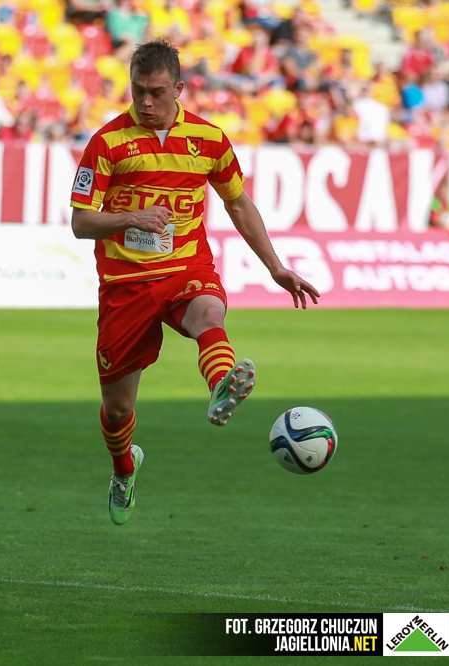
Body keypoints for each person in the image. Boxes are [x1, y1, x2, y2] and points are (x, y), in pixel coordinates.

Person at [69, 40, 319, 526]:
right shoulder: (107, 143)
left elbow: (238, 204)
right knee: (117, 409)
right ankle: (124, 469)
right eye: (138, 91)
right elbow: (81, 222)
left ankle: (221, 382)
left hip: (186, 267)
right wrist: (131, 217)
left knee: (208, 309)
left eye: (157, 92)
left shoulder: (208, 140)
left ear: (179, 88)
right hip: (125, 283)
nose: (146, 102)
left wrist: (275, 266)